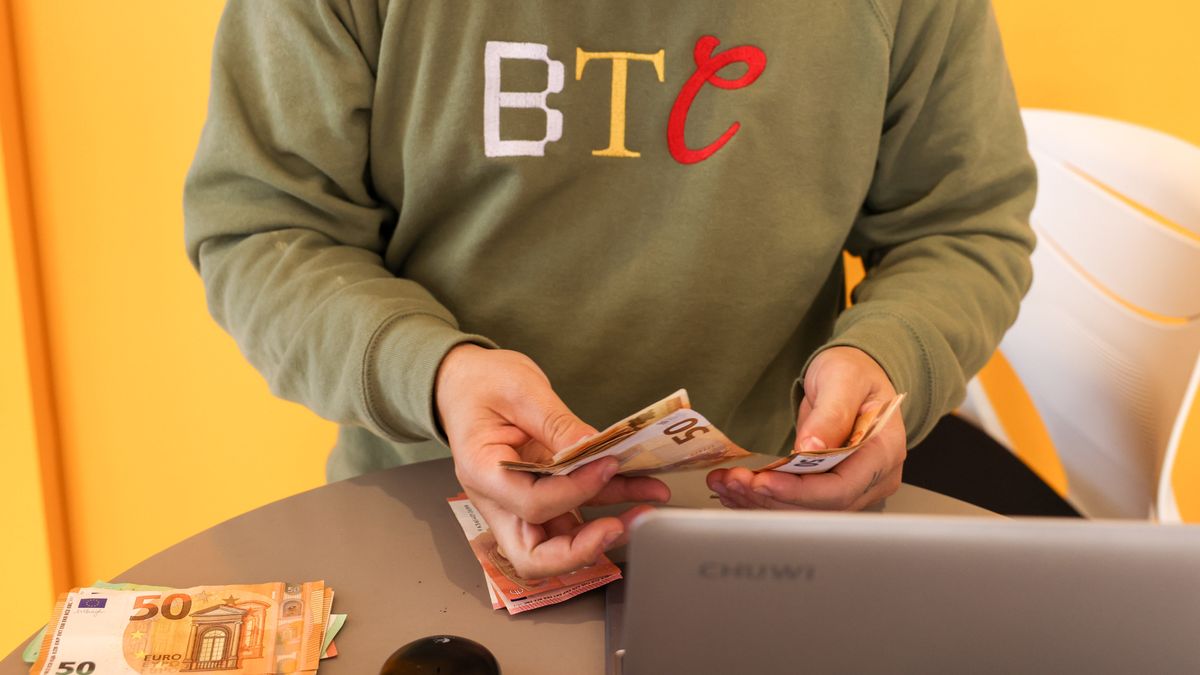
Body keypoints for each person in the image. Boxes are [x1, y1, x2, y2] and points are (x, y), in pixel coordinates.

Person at [184, 0, 1035, 579]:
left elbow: (961, 225)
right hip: (428, 519)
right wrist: (434, 375)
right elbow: (265, 230)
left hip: (777, 532)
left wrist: (891, 359)